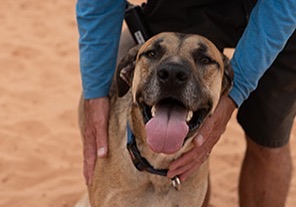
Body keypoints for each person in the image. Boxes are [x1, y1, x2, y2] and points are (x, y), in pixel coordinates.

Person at [76, 0, 296, 206]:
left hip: (281, 12)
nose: (172, 72)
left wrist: (235, 92)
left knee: (268, 133)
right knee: (171, 47)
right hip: (184, 3)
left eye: (204, 60)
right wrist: (95, 93)